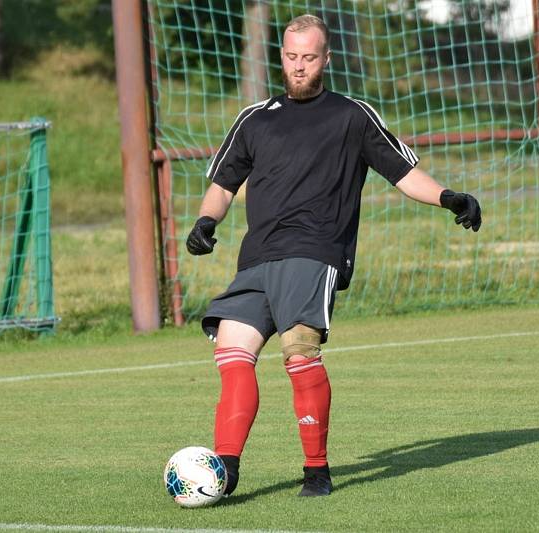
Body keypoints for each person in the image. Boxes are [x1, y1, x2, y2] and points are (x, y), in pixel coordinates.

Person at [185, 14, 481, 498]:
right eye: (290, 56)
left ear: (326, 59)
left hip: (315, 252)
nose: (298, 67)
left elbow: (402, 174)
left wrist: (449, 197)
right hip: (257, 257)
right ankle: (227, 469)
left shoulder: (351, 115)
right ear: (280, 56)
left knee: (298, 352)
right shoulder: (255, 119)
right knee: (232, 354)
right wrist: (205, 222)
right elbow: (222, 185)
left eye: (308, 57)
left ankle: (316, 471)